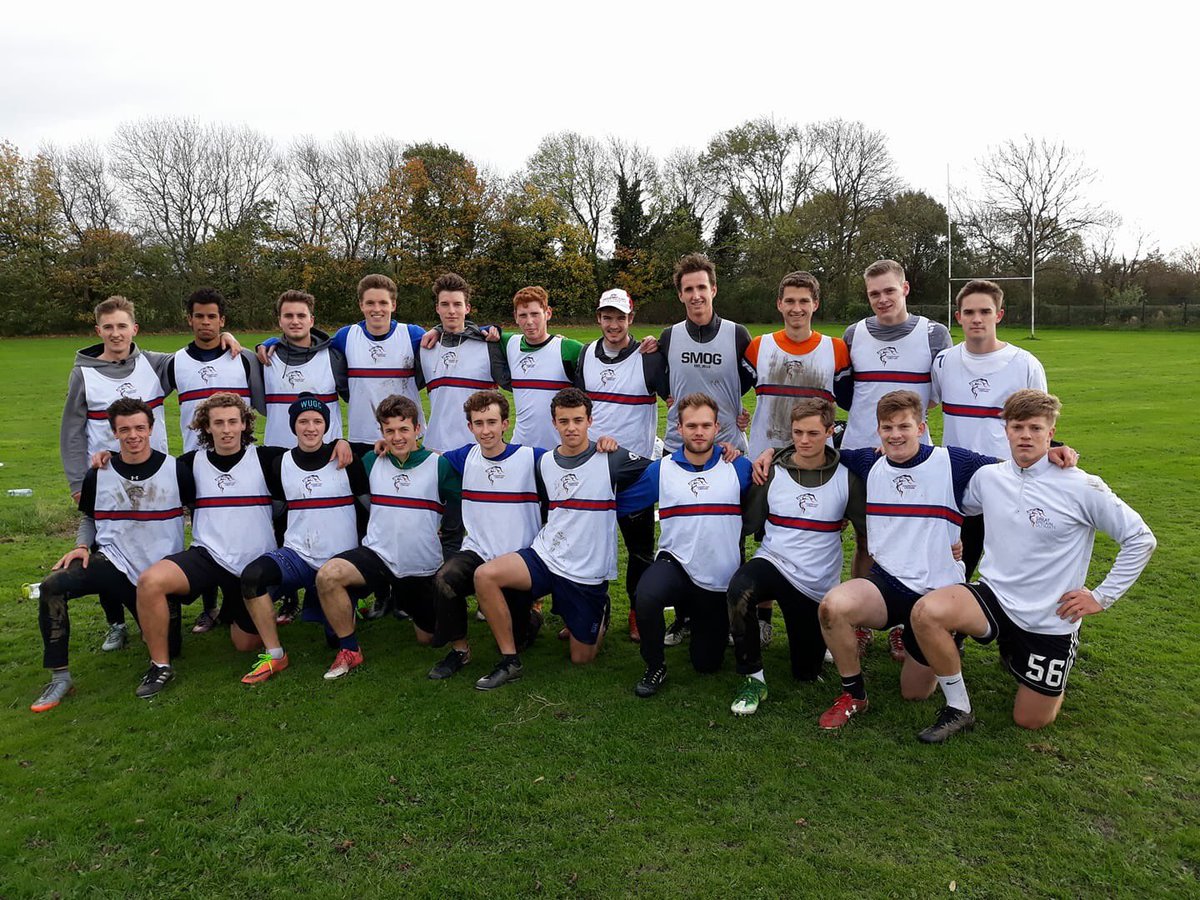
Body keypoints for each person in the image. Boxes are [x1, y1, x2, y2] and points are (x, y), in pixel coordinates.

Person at [810, 389, 1075, 732]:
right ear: (878, 432)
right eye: (887, 428)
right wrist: (769, 454)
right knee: (833, 607)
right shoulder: (866, 461)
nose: (895, 435)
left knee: (914, 693)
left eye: (904, 426)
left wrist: (1055, 450)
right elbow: (814, 454)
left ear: (921, 427)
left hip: (938, 590)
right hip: (887, 583)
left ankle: (948, 640)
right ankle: (854, 694)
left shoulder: (953, 462)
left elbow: (1013, 468)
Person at [908, 390, 1155, 743]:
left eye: (1035, 428)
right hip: (993, 596)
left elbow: (1141, 539)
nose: (1026, 435)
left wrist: (1102, 596)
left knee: (1030, 720)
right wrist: (953, 537)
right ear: (1005, 430)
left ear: (1051, 433)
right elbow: (960, 506)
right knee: (926, 614)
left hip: (1048, 616)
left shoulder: (1083, 486)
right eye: (1018, 426)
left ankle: (1030, 667)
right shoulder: (989, 477)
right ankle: (959, 707)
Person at [471, 388, 651, 690]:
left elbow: (665, 472)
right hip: (545, 555)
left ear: (590, 421)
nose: (571, 428)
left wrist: (720, 452)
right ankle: (509, 660)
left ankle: (599, 611)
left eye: (578, 420)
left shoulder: (612, 458)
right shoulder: (544, 462)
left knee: (582, 659)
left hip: (586, 569)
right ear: (554, 423)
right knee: (485, 576)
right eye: (563, 421)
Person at [31, 398, 186, 712]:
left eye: (140, 427)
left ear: (151, 429)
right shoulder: (99, 472)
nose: (133, 435)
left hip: (158, 574)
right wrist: (81, 545)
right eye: (124, 429)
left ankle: (142, 632)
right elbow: (88, 516)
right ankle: (60, 676)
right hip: (114, 562)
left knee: (173, 649)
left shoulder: (176, 469)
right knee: (52, 586)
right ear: (114, 432)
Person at [131, 393, 281, 698]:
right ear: (206, 428)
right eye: (218, 423)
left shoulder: (267, 459)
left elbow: (312, 457)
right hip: (207, 555)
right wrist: (107, 458)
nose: (226, 429)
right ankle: (160, 665)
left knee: (245, 644)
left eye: (232, 422)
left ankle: (233, 610)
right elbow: (142, 468)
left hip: (252, 565)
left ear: (244, 425)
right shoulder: (188, 464)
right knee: (150, 582)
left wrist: (341, 445)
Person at [840, 260, 954, 659]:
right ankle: (860, 622)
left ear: (905, 289)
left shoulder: (933, 333)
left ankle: (904, 624)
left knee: (912, 541)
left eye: (889, 290)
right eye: (874, 294)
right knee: (866, 538)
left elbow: (941, 391)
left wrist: (903, 433)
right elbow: (846, 390)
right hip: (859, 454)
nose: (882, 299)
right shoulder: (854, 333)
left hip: (912, 457)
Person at [727, 398, 865, 715]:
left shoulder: (848, 478)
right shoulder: (772, 471)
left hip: (814, 585)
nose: (804, 441)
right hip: (773, 562)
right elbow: (746, 524)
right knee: (740, 590)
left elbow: (870, 533)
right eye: (798, 432)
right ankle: (752, 679)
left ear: (830, 431)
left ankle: (817, 644)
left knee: (806, 673)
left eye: (813, 433)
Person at [314, 395, 462, 680]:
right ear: (381, 433)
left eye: (404, 429)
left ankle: (405, 603)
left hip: (421, 566)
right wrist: (341, 442)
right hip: (378, 556)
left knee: (428, 639)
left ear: (418, 428)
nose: (397, 437)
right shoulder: (372, 460)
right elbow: (332, 458)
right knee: (328, 576)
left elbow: (458, 514)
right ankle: (349, 649)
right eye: (389, 431)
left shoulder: (439, 465)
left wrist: (449, 554)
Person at [619, 394, 753, 697]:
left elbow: (773, 489)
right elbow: (622, 503)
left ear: (717, 427)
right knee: (647, 595)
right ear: (679, 428)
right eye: (691, 425)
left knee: (706, 664)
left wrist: (768, 454)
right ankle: (655, 665)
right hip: (675, 564)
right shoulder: (662, 469)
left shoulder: (739, 468)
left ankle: (697, 624)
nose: (699, 431)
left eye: (706, 425)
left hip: (718, 578)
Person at [657, 253, 755, 646]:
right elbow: (658, 378)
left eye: (702, 287)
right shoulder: (667, 337)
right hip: (679, 449)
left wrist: (736, 412)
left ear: (713, 289)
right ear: (680, 294)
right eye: (688, 289)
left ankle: (736, 616)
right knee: (679, 535)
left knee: (730, 536)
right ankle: (683, 618)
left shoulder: (738, 334)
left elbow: (753, 380)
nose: (696, 295)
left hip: (727, 450)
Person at [237, 394, 369, 684]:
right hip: (297, 555)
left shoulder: (347, 459)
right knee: (252, 578)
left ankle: (348, 644)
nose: (310, 428)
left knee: (334, 638)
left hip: (340, 561)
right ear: (293, 426)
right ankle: (275, 654)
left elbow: (369, 508)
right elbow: (278, 510)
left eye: (318, 421)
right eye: (303, 421)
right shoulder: (279, 463)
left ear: (327, 426)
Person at [931, 279, 1047, 579]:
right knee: (955, 563)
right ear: (958, 317)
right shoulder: (944, 361)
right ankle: (950, 625)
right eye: (969, 312)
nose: (977, 318)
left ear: (999, 314)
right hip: (956, 480)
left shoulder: (1025, 364)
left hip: (1007, 479)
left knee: (1008, 565)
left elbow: (1040, 426)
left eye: (985, 311)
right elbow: (927, 406)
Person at [166, 287, 266, 633]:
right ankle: (210, 607)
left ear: (222, 320)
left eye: (212, 317)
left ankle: (261, 596)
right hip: (197, 460)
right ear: (189, 319)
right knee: (204, 528)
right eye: (199, 316)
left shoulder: (244, 357)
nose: (205, 322)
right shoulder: (173, 361)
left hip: (240, 457)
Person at [428, 390, 545, 681]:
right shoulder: (464, 457)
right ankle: (459, 650)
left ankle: (534, 614)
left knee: (518, 636)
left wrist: (602, 446)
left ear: (505, 423)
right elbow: (425, 459)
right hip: (478, 551)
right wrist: (384, 445)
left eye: (492, 422)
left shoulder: (531, 458)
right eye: (478, 423)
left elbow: (572, 458)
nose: (486, 430)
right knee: (445, 578)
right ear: (470, 427)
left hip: (517, 559)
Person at [575, 287, 669, 642]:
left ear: (631, 319)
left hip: (636, 472)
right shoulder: (586, 354)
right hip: (592, 467)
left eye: (620, 317)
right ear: (599, 319)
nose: (614, 324)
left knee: (640, 549)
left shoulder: (648, 356)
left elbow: (676, 396)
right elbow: (578, 406)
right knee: (587, 545)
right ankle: (589, 611)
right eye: (607, 317)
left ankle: (637, 612)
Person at [746, 272, 851, 458]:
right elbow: (730, 391)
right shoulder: (759, 346)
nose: (796, 308)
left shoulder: (836, 349)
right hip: (764, 459)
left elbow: (852, 402)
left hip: (817, 459)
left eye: (804, 301)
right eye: (790, 301)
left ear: (815, 304)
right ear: (780, 304)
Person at [329, 274, 427, 457]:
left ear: (393, 305)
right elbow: (312, 346)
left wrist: (484, 330)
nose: (377, 309)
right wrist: (272, 343)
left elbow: (449, 337)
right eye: (370, 303)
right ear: (361, 305)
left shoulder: (412, 334)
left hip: (405, 435)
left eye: (383, 302)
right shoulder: (346, 336)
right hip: (361, 437)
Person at [418, 273, 509, 453]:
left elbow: (531, 345)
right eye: (445, 304)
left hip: (480, 449)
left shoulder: (489, 345)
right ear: (437, 308)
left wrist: (557, 340)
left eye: (457, 304)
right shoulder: (424, 347)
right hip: (436, 449)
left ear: (467, 308)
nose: (451, 310)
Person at [261, 290, 346, 448]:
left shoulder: (334, 358)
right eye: (288, 316)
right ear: (280, 321)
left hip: (325, 455)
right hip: (277, 454)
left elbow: (358, 398)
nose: (295, 321)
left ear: (311, 320)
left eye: (301, 316)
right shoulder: (266, 358)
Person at [503, 286, 584, 450]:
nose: (529, 321)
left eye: (535, 314)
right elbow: (474, 333)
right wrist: (439, 331)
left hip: (560, 451)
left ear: (548, 313)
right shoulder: (510, 343)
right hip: (520, 449)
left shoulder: (568, 348)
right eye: (523, 315)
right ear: (515, 317)